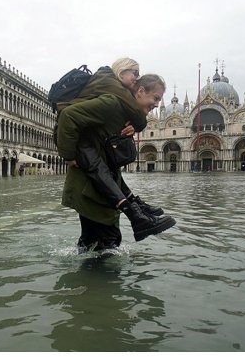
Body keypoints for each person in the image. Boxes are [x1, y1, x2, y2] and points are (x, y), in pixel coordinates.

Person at [57, 72, 176, 252]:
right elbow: (68, 116)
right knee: (106, 244)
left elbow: (108, 155)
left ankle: (138, 214)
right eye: (156, 97)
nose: (157, 104)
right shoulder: (113, 104)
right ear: (141, 91)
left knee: (96, 244)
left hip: (100, 184)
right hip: (90, 186)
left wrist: (135, 126)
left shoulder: (127, 114)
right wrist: (69, 156)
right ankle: (95, 276)